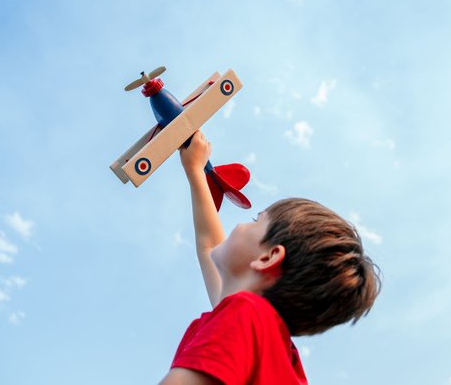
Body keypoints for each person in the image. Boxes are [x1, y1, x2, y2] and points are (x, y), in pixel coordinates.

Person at [159, 131, 381, 385]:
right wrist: (195, 171)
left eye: (257, 220)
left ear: (268, 258)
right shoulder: (274, 348)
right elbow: (209, 245)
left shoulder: (245, 313)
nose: (243, 224)